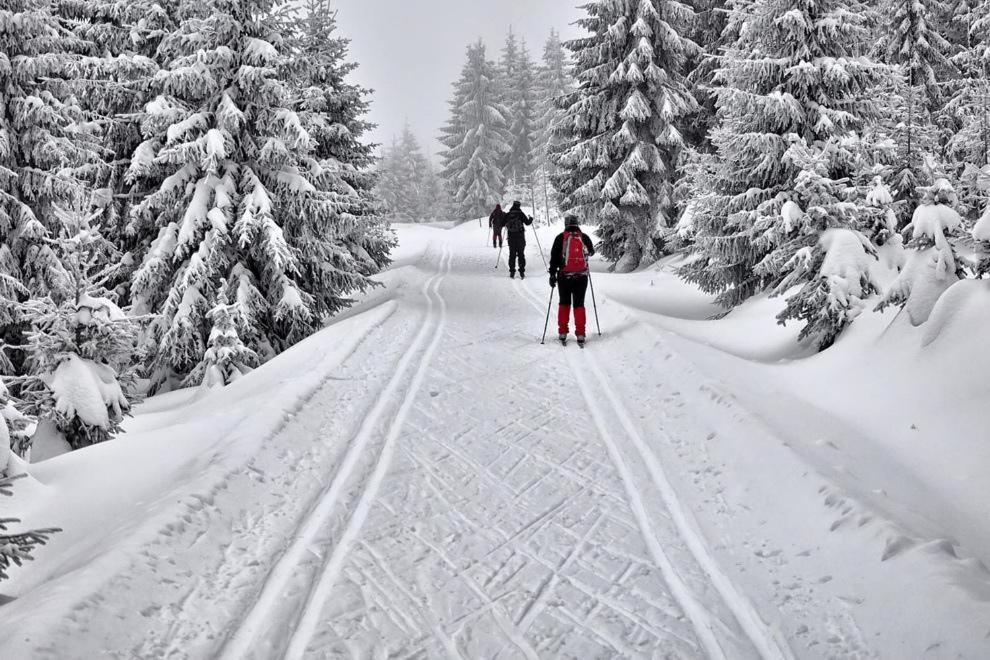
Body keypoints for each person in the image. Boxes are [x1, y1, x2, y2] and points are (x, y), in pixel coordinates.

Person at [548, 216, 595, 346]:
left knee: (564, 303)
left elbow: (553, 259)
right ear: (577, 223)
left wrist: (552, 275)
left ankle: (563, 332)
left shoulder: (560, 238)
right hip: (581, 276)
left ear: (566, 224)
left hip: (564, 276)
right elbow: (591, 252)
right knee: (579, 304)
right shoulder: (584, 237)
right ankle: (580, 334)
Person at [502, 201, 532, 279]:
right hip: (520, 237)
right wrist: (531, 219)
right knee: (521, 254)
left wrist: (504, 217)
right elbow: (527, 223)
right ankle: (521, 271)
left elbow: (502, 224)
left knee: (512, 254)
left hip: (511, 237)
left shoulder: (508, 214)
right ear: (519, 206)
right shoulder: (520, 214)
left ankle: (512, 271)